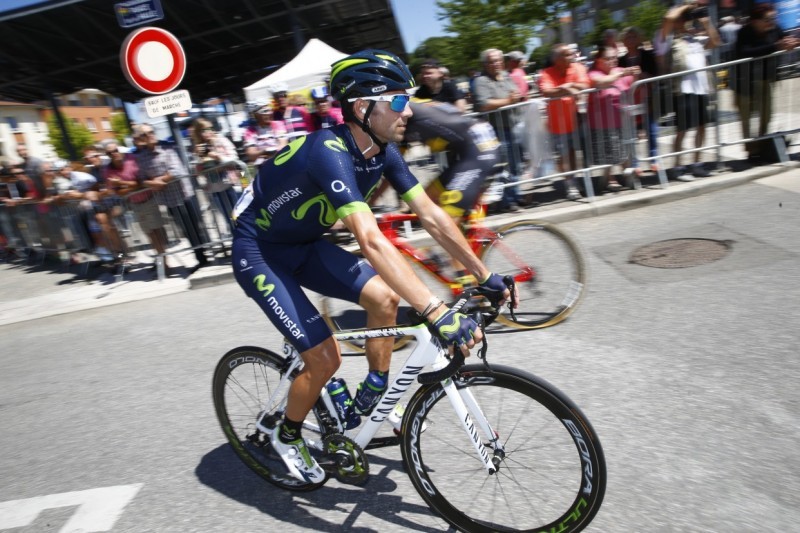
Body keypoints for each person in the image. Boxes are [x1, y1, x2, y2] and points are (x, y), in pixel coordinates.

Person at [230, 49, 513, 483]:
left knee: (384, 298)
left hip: (303, 243)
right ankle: (286, 434)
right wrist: (436, 312)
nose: (409, 111)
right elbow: (370, 239)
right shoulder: (328, 150)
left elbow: (434, 216)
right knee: (325, 359)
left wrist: (484, 275)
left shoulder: (384, 152)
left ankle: (375, 392)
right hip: (260, 253)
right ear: (362, 107)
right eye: (399, 101)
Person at [655, 2, 721, 182]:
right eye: (683, 19)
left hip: (701, 89)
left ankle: (697, 163)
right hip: (683, 90)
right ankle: (677, 166)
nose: (686, 22)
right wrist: (686, 6)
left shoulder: (695, 38)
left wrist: (706, 23)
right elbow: (668, 18)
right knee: (682, 131)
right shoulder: (666, 40)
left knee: (702, 127)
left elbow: (715, 42)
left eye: (688, 19)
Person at [134, 124, 211, 273]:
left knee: (196, 227)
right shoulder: (142, 158)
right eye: (145, 134)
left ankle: (205, 255)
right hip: (169, 200)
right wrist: (154, 183)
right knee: (186, 230)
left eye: (151, 132)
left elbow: (176, 171)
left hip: (184, 194)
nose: (150, 135)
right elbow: (142, 179)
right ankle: (201, 258)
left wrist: (157, 181)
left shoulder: (167, 149)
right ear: (141, 139)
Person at [733, 4, 799, 164]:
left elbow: (784, 40)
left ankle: (762, 148)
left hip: (765, 79)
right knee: (746, 120)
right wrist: (775, 46)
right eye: (768, 19)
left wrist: (792, 42)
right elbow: (745, 52)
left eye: (773, 18)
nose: (772, 21)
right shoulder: (745, 32)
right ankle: (751, 151)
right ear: (755, 21)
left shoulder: (774, 28)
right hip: (745, 82)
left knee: (766, 116)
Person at [104, 140, 170, 274]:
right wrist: (129, 186)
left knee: (156, 232)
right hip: (134, 203)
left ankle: (164, 264)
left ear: (119, 150)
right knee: (150, 233)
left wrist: (122, 183)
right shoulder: (108, 171)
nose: (114, 154)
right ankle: (161, 262)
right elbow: (118, 191)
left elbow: (140, 183)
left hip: (148, 199)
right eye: (110, 153)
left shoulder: (132, 160)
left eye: (115, 150)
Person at [472, 48, 525, 212]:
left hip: (514, 126)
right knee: (505, 167)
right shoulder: (481, 81)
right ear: (485, 64)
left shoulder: (506, 76)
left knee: (516, 165)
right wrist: (508, 100)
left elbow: (515, 93)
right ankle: (507, 201)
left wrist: (516, 97)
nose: (496, 63)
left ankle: (515, 194)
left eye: (499, 60)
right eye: (492, 61)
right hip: (497, 130)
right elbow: (484, 104)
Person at [538, 43, 590, 200]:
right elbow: (546, 91)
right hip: (557, 124)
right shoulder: (546, 73)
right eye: (567, 54)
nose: (572, 56)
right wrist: (567, 88)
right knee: (563, 156)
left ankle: (576, 181)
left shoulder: (577, 67)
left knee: (574, 154)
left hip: (577, 120)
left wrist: (569, 86)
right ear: (557, 59)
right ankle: (570, 184)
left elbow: (584, 84)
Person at [587, 43, 641, 192]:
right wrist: (622, 74)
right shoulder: (593, 73)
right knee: (609, 153)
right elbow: (601, 82)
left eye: (614, 58)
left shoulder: (619, 70)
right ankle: (609, 179)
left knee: (625, 150)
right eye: (609, 58)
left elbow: (634, 86)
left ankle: (629, 175)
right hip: (602, 123)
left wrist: (636, 75)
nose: (613, 61)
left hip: (623, 119)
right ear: (599, 60)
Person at [619, 26, 660, 173]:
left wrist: (643, 75)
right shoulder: (620, 61)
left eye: (633, 36)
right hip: (629, 101)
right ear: (623, 41)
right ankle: (635, 163)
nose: (630, 39)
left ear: (638, 39)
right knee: (631, 133)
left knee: (651, 129)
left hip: (646, 98)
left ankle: (654, 159)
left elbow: (655, 75)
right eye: (627, 37)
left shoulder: (647, 56)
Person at [191, 118, 240, 231]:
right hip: (215, 189)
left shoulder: (221, 140)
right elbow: (197, 172)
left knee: (241, 216)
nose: (209, 132)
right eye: (204, 130)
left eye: (210, 128)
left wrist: (217, 157)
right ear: (199, 133)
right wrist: (199, 158)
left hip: (231, 185)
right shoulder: (199, 148)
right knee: (231, 221)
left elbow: (234, 159)